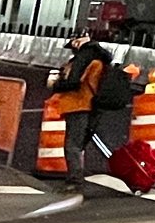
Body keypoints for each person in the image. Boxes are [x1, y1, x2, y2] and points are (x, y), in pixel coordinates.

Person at [55, 33, 131, 180]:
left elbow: (73, 82)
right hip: (93, 105)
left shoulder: (84, 58)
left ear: (77, 42)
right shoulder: (99, 57)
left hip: (79, 105)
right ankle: (77, 177)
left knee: (72, 146)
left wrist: (56, 84)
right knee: (81, 143)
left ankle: (74, 180)